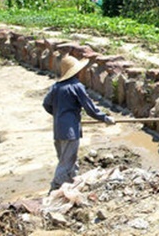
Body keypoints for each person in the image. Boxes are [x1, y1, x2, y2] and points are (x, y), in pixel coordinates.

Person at [43, 54, 114, 192]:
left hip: (58, 130)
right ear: (76, 71)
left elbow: (46, 104)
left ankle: (72, 187)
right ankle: (54, 189)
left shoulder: (56, 87)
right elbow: (89, 108)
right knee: (66, 164)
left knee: (68, 161)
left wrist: (59, 115)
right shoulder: (76, 86)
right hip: (70, 132)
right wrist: (104, 118)